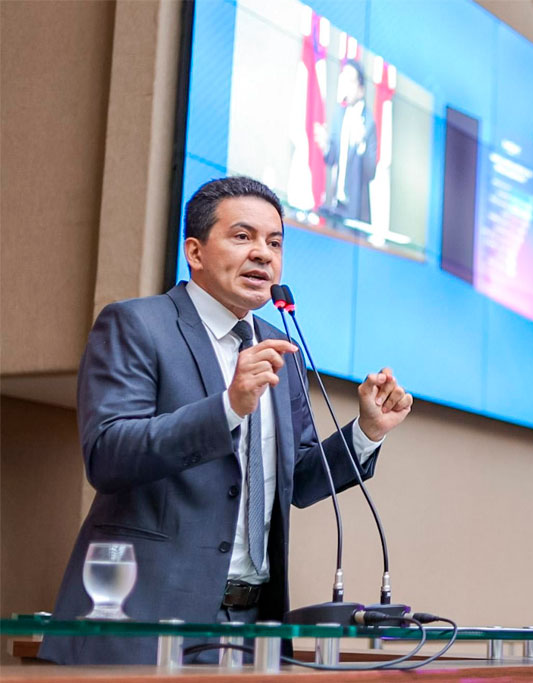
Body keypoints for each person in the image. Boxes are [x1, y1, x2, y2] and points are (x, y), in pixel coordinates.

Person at [39, 176, 412, 665]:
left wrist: (365, 432)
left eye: (274, 243)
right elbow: (108, 455)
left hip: (251, 630)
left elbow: (298, 481)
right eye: (242, 236)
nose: (262, 254)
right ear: (194, 252)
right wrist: (228, 407)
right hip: (147, 622)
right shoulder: (137, 325)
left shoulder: (281, 349)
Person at [317, 60, 377, 225]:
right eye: (343, 79)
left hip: (356, 211)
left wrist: (361, 145)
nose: (345, 85)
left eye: (350, 81)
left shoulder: (369, 122)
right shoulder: (339, 114)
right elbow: (332, 159)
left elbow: (370, 172)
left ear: (361, 89)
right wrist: (326, 145)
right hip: (335, 206)